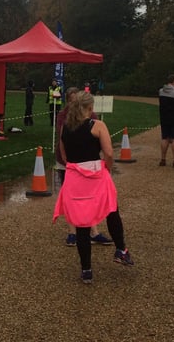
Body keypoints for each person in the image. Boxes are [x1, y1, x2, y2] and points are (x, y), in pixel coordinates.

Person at [53, 91, 134, 284]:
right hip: (96, 174)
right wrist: (107, 166)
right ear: (90, 108)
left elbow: (63, 156)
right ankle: (121, 249)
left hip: (75, 178)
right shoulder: (97, 126)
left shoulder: (65, 127)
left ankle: (86, 269)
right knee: (111, 209)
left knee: (82, 224)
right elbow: (108, 152)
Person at [54, 88, 112, 247]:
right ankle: (72, 231)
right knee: (70, 198)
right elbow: (62, 138)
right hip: (69, 163)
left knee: (90, 197)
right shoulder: (63, 117)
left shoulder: (91, 117)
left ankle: (93, 230)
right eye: (72, 101)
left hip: (86, 164)